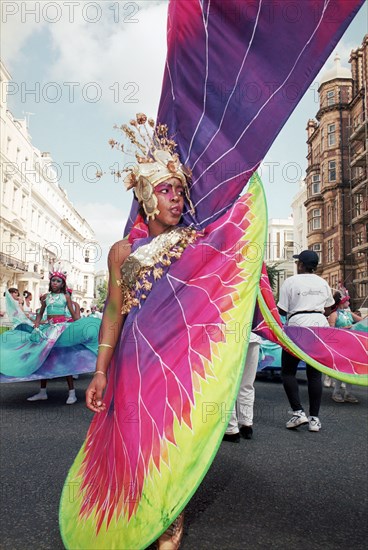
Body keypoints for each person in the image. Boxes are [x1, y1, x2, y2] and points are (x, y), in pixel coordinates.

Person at [277, 250, 334, 432]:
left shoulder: (291, 282)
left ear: (301, 264)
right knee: (315, 375)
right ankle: (314, 419)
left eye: (297, 263)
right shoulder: (323, 282)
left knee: (288, 371)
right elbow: (328, 308)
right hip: (319, 327)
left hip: (298, 327)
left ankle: (298, 412)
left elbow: (282, 311)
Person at [27, 272, 79, 404]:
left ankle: (72, 393)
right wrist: (37, 324)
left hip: (61, 329)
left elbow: (73, 315)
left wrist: (81, 326)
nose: (55, 283)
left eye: (58, 281)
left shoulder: (65, 297)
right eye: (53, 280)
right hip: (48, 329)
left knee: (64, 358)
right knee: (43, 358)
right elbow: (40, 313)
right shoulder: (46, 297)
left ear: (63, 284)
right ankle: (42, 392)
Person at [223, 332, 261, 442]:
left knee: (227, 384)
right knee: (247, 384)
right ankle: (246, 425)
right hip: (253, 336)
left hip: (229, 336)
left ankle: (231, 430)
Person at [328, 292, 362, 404]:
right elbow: (330, 331)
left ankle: (348, 393)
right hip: (339, 345)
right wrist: (347, 327)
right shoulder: (334, 314)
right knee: (341, 369)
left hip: (351, 344)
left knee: (351, 369)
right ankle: (336, 392)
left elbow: (362, 321)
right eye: (347, 300)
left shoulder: (349, 314)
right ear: (341, 302)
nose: (349, 301)